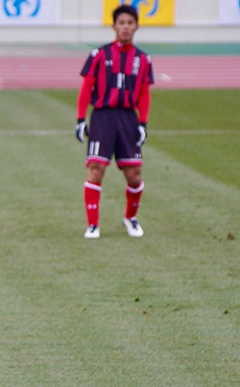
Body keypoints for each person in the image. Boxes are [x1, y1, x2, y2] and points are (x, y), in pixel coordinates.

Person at [75, 3, 154, 239]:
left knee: (134, 175)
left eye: (130, 23)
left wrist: (143, 123)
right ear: (114, 26)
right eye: (122, 23)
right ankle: (92, 225)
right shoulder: (99, 55)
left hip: (128, 119)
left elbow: (144, 94)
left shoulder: (143, 59)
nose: (126, 27)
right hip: (102, 118)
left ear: (136, 26)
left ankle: (130, 218)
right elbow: (86, 88)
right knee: (96, 169)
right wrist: (80, 119)